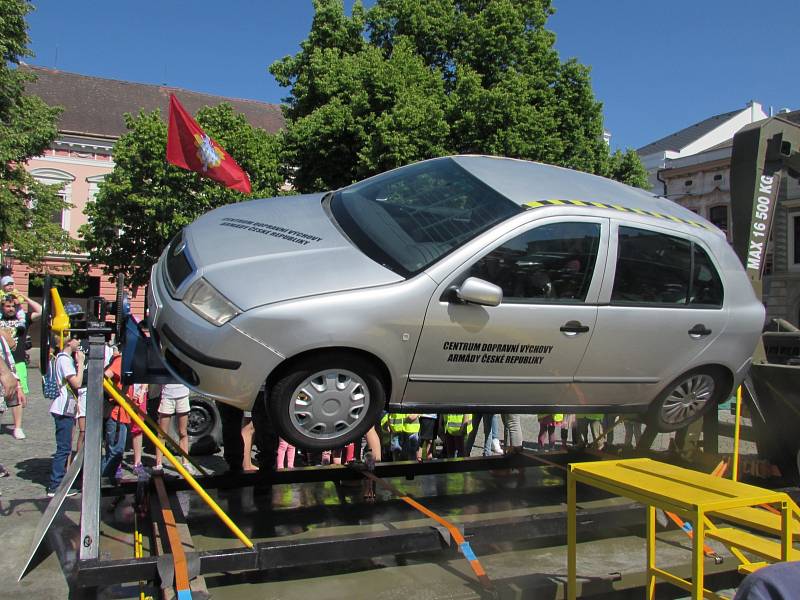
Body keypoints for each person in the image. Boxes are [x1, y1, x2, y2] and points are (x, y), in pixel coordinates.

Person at [0, 289, 41, 439]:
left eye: (13, 306)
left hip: (17, 362)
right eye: (7, 306)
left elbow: (41, 311)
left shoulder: (23, 319)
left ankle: (17, 427)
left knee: (17, 395)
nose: (10, 309)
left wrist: (24, 298)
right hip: (1, 362)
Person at [47, 334, 83, 497]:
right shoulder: (64, 359)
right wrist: (81, 364)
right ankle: (55, 485)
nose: (79, 342)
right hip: (62, 408)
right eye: (76, 339)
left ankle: (61, 481)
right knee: (63, 448)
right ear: (68, 341)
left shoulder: (62, 358)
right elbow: (76, 382)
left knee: (65, 446)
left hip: (65, 407)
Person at [102, 346, 131, 481]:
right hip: (116, 412)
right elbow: (105, 376)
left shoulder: (127, 361)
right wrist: (115, 396)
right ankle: (104, 480)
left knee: (115, 451)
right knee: (115, 451)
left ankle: (107, 479)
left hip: (122, 412)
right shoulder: (122, 361)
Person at [154, 383, 195, 474]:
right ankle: (158, 464)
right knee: (162, 433)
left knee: (183, 432)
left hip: (182, 395)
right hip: (167, 396)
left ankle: (185, 462)